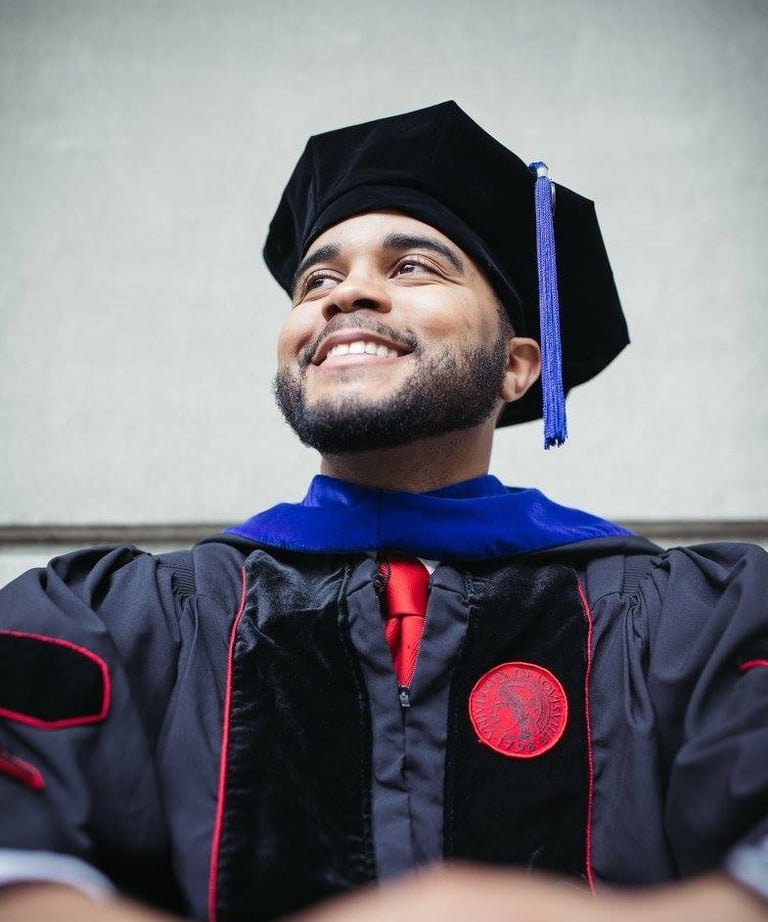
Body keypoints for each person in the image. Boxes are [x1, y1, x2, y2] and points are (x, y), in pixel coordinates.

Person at [0, 101, 766, 922]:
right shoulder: (111, 621)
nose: (347, 294)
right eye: (318, 280)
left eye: (411, 267)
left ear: (517, 368)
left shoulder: (699, 625)